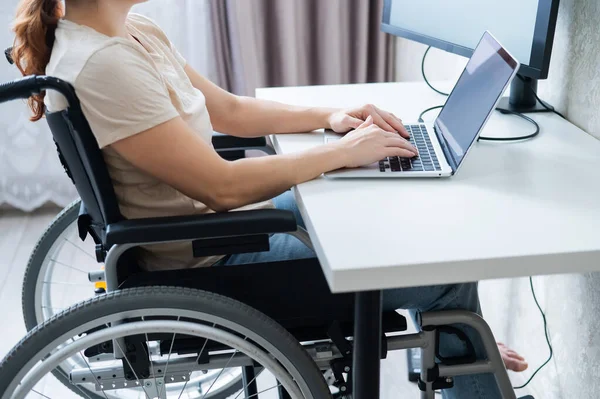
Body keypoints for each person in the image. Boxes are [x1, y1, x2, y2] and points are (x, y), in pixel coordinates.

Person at [12, 0, 528, 397]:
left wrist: (331, 118)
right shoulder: (102, 66)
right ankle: (462, 342)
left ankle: (460, 344)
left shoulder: (133, 32)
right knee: (446, 274)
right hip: (212, 260)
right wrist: (342, 153)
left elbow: (231, 112)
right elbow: (221, 186)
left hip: (228, 225)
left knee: (384, 206)